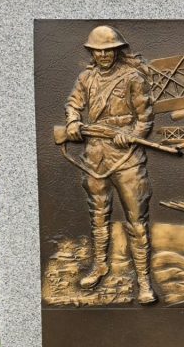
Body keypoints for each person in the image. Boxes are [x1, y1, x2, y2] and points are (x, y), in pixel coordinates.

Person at [65, 25, 157, 304]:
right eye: (98, 51)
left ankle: (143, 281)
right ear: (92, 52)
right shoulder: (86, 78)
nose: (104, 55)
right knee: (98, 215)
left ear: (117, 50)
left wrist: (131, 136)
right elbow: (73, 102)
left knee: (136, 220)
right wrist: (72, 121)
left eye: (108, 50)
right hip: (94, 155)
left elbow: (145, 118)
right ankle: (100, 265)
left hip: (126, 158)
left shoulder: (133, 78)